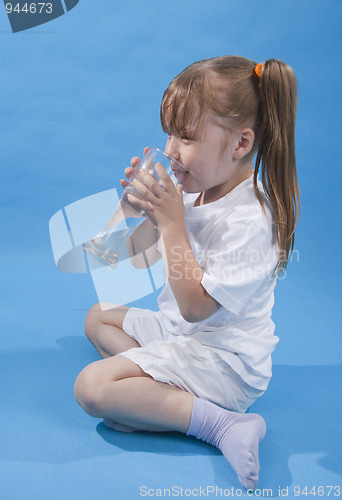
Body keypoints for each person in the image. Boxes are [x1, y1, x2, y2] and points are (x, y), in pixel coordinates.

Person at [73, 55, 300, 491]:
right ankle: (158, 400)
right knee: (97, 316)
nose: (171, 150)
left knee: (92, 389)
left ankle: (222, 425)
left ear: (239, 144)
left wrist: (172, 222)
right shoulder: (195, 193)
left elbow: (196, 308)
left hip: (224, 362)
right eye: (169, 135)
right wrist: (139, 213)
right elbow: (139, 259)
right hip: (183, 336)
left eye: (187, 137)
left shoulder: (252, 220)